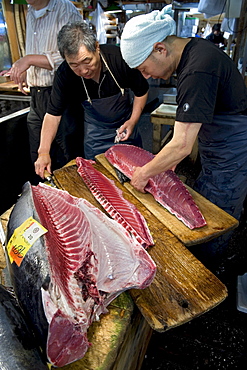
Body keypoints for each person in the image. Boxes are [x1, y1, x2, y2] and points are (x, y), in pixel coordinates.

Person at [120, 6, 247, 262]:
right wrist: (167, 163)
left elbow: (181, 145)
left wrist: (143, 173)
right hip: (218, 146)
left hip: (231, 152)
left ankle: (207, 274)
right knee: (202, 204)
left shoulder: (197, 69)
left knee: (215, 219)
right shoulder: (194, 51)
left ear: (160, 49)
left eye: (145, 69)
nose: (147, 77)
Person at [34, 21, 149, 176]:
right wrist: (43, 152)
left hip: (125, 128)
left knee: (132, 176)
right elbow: (53, 115)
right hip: (96, 135)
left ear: (96, 46)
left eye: (87, 61)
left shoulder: (118, 58)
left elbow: (141, 91)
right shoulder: (65, 74)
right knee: (99, 179)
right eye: (74, 65)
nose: (83, 70)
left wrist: (133, 121)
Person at [10, 0, 83, 181]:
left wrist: (28, 60)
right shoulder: (30, 12)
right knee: (39, 157)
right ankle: (46, 203)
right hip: (37, 96)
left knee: (66, 159)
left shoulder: (64, 7)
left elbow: (73, 55)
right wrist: (26, 73)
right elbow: (38, 57)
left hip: (61, 94)